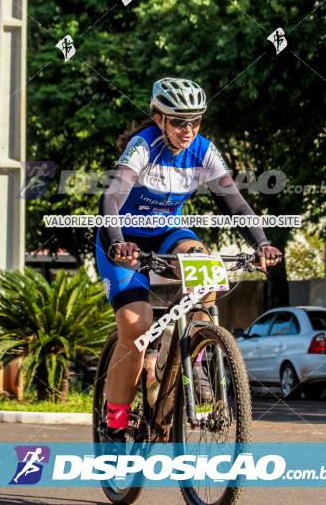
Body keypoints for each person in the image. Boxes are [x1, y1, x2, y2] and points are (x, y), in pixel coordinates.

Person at [96, 77, 282, 442]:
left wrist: (262, 243)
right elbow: (111, 198)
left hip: (168, 234)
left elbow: (234, 203)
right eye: (179, 121)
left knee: (208, 270)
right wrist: (118, 242)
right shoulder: (143, 146)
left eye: (195, 121)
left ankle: (193, 356)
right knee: (136, 328)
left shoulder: (203, 150)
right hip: (124, 237)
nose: (188, 129)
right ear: (158, 118)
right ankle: (115, 416)